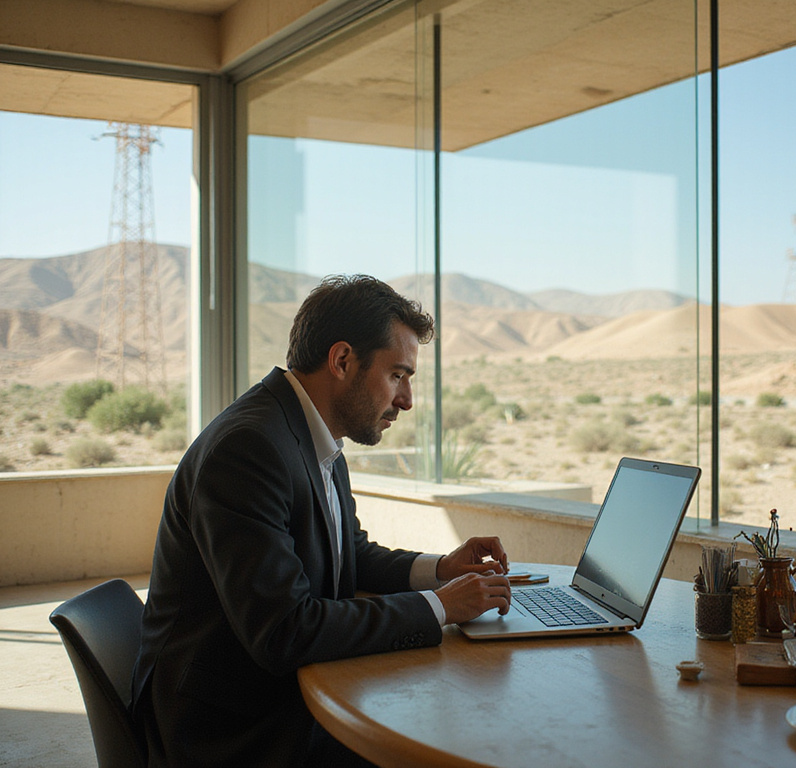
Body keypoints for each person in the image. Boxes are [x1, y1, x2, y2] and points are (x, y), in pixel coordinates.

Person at [131, 274, 512, 767]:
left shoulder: (315, 437)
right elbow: (284, 630)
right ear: (342, 361)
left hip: (268, 698)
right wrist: (439, 607)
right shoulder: (248, 449)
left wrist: (440, 569)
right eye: (397, 374)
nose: (407, 400)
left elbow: (346, 552)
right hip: (229, 731)